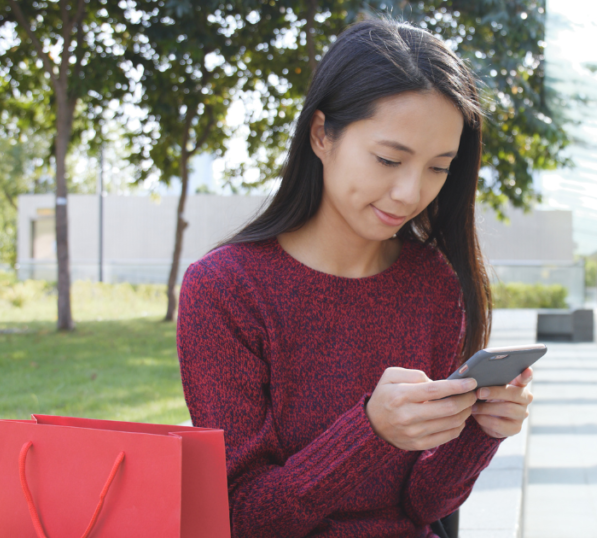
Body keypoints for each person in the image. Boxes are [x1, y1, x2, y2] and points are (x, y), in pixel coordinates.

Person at [176, 18, 535, 538]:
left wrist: (481, 433)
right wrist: (371, 431)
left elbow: (423, 504)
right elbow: (245, 516)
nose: (411, 194)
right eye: (389, 159)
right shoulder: (226, 289)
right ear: (322, 134)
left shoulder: (432, 284)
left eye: (439, 167)